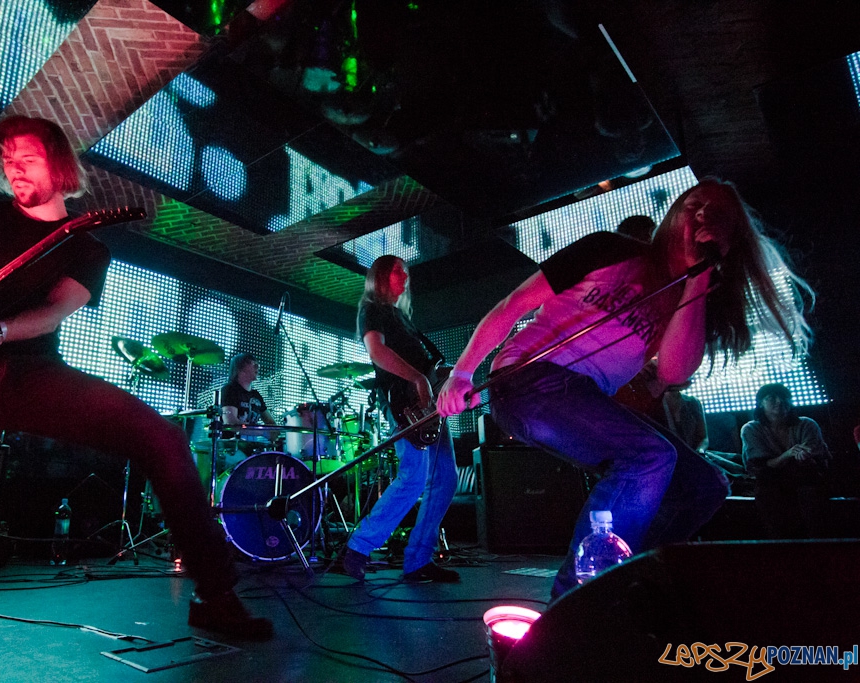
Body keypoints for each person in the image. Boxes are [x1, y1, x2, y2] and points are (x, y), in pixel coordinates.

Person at [0, 116, 271, 640]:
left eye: (29, 157)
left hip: (31, 373)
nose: (14, 168)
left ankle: (215, 597)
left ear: (61, 164)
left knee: (161, 438)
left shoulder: (88, 247)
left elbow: (53, 312)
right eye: (8, 159)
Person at [438, 178, 814, 599]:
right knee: (650, 455)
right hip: (527, 377)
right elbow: (514, 305)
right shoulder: (609, 249)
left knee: (705, 485)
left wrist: (698, 279)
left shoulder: (692, 297)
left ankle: (629, 583)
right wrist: (463, 372)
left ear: (730, 239)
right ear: (674, 214)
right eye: (695, 204)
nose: (704, 215)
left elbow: (672, 370)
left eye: (718, 214)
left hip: (583, 393)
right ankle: (577, 599)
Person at [342, 255, 459, 583]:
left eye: (405, 272)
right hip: (406, 406)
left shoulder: (402, 317)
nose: (404, 277)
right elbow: (377, 351)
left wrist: (449, 377)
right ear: (380, 275)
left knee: (446, 479)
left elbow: (429, 365)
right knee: (412, 478)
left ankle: (418, 559)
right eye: (397, 271)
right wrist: (419, 380)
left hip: (431, 407)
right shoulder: (373, 309)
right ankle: (358, 547)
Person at [741, 383, 830, 539]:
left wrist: (805, 459)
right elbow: (760, 466)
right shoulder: (751, 429)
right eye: (771, 398)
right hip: (770, 482)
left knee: (810, 492)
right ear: (760, 403)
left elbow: (817, 459)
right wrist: (787, 455)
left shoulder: (807, 424)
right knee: (768, 494)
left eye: (784, 398)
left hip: (805, 478)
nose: (779, 402)